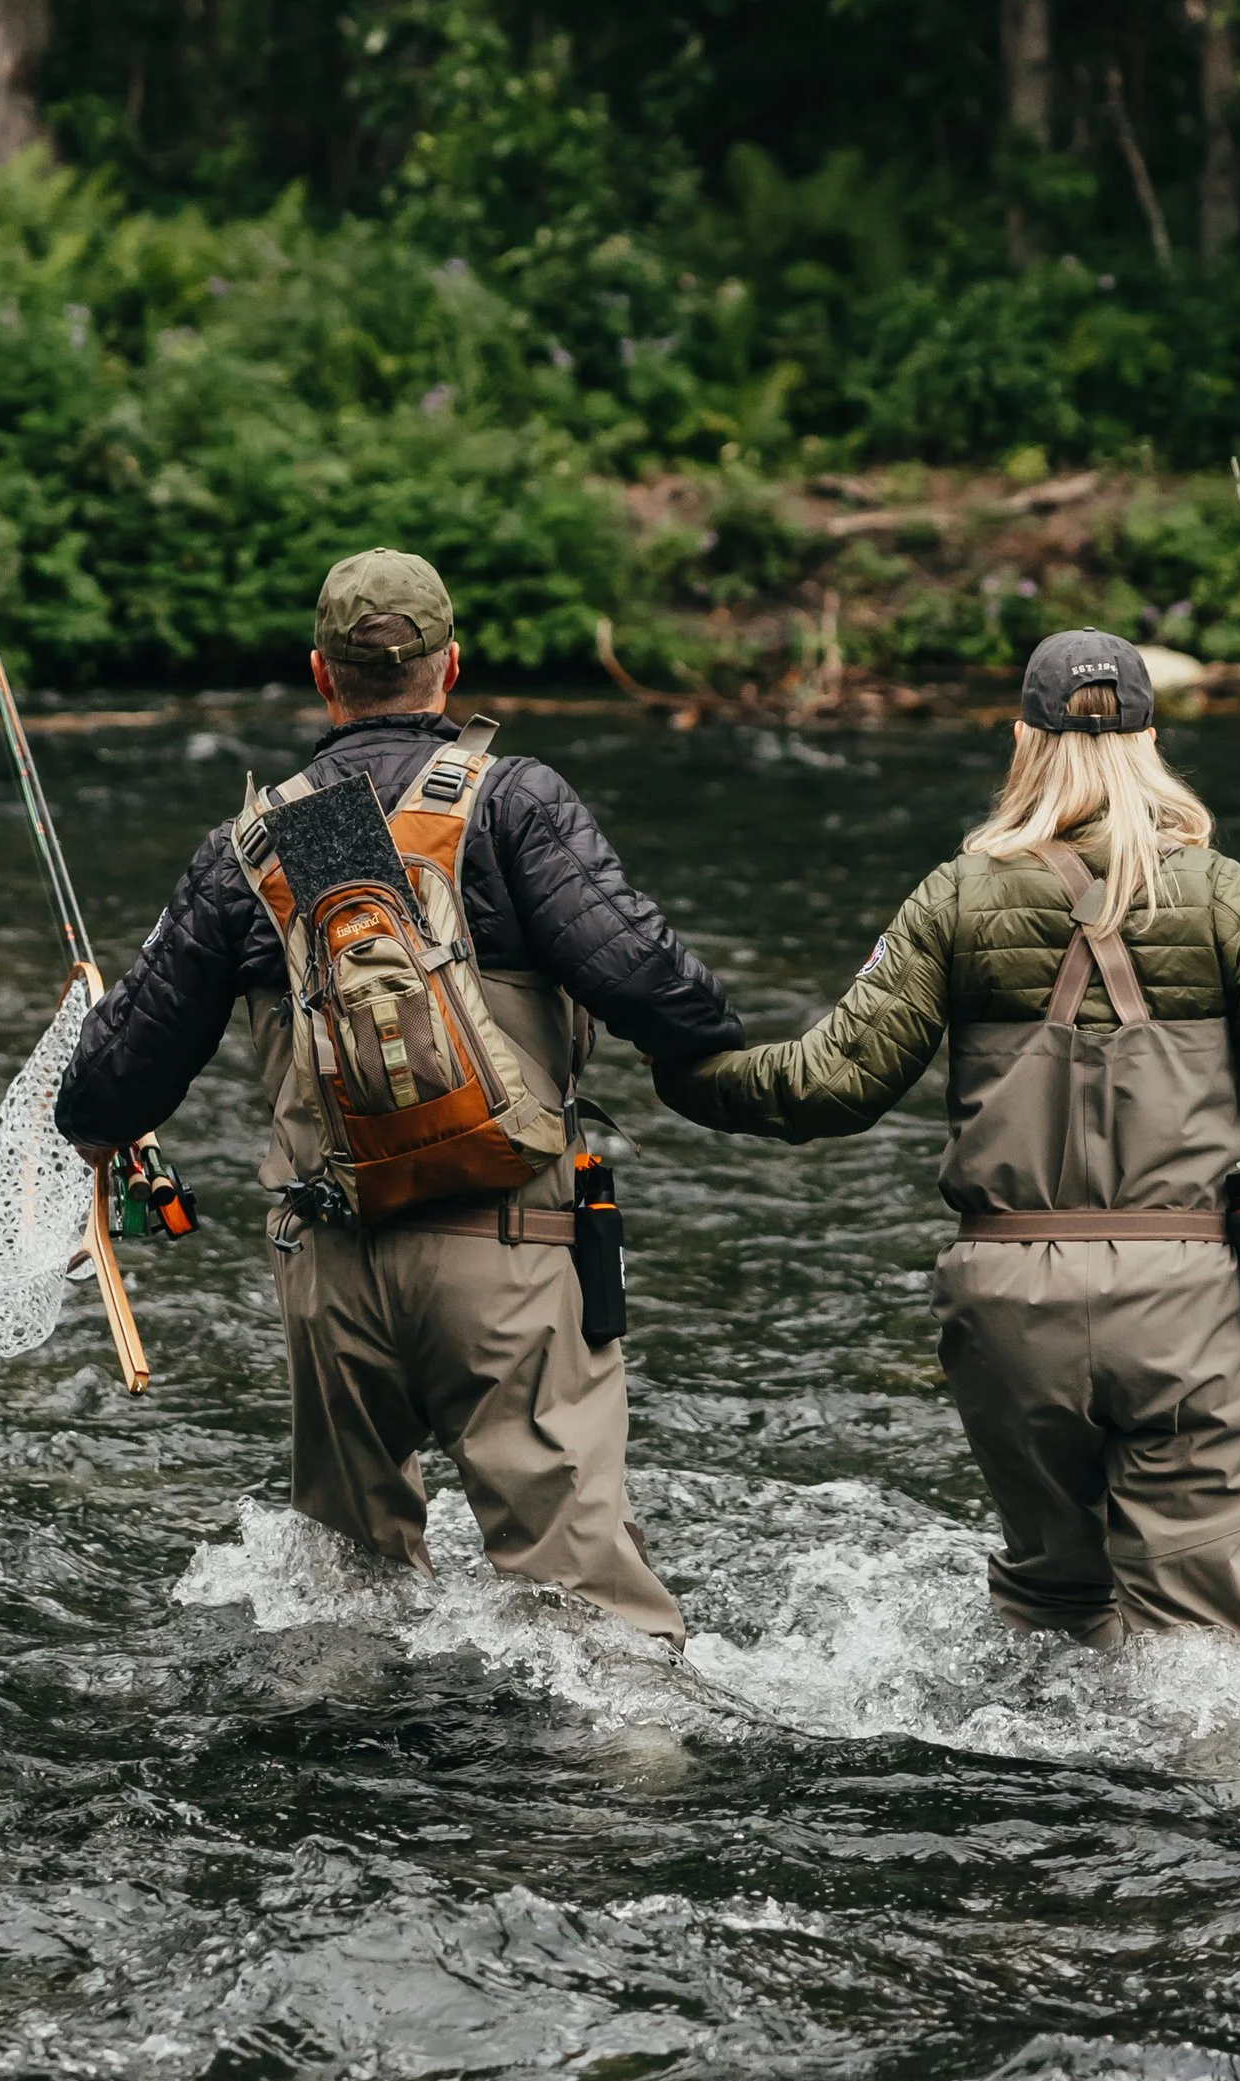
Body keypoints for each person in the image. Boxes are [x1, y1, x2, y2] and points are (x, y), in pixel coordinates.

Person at [654, 628, 1240, 1646]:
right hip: (1188, 1304)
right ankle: (1208, 1802)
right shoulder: (1220, 895)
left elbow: (825, 1089)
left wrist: (681, 1074)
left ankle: (1035, 1805)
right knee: (1193, 1635)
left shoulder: (957, 897)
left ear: (1021, 740)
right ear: (1147, 739)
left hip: (1008, 1308)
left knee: (1052, 1608)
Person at [56, 548, 743, 1641]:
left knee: (345, 1614)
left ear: (321, 677)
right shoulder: (513, 803)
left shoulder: (255, 842)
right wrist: (725, 1062)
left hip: (330, 1269)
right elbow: (656, 987)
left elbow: (113, 1085)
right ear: (450, 668)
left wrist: (93, 1051)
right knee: (587, 1625)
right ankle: (622, 1800)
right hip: (505, 1249)